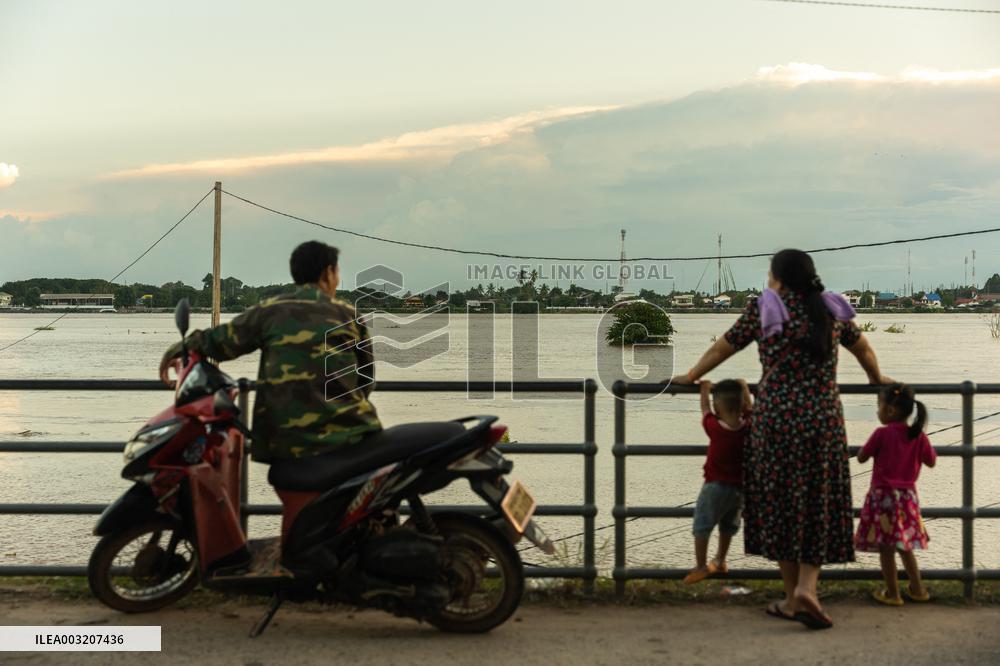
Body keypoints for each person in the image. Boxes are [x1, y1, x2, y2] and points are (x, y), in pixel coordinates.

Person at [668, 248, 893, 630]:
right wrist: (876, 380)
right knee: (817, 502)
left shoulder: (766, 308)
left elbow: (724, 346)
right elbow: (864, 348)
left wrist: (691, 376)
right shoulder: (830, 309)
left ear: (778, 278)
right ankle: (804, 591)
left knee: (781, 505)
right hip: (822, 421)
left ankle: (793, 597)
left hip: (774, 422)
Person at [158, 240, 383, 463]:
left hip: (283, 443)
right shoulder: (349, 315)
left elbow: (220, 341)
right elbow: (366, 379)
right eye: (337, 272)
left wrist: (179, 348)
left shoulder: (271, 311)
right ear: (328, 273)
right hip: (350, 436)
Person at [854, 383, 936, 606]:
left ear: (890, 410)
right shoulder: (918, 436)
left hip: (883, 499)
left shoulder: (881, 434)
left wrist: (864, 451)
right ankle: (918, 589)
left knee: (886, 548)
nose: (877, 411)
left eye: (878, 406)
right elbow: (931, 461)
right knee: (905, 545)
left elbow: (862, 457)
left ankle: (893, 593)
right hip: (908, 498)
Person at [683, 379, 752, 585]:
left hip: (714, 486)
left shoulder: (714, 427)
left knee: (702, 524)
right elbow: (750, 408)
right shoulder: (750, 426)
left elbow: (704, 409)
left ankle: (701, 565)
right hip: (740, 487)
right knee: (729, 524)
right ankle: (721, 559)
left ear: (717, 408)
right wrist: (744, 387)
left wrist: (704, 388)